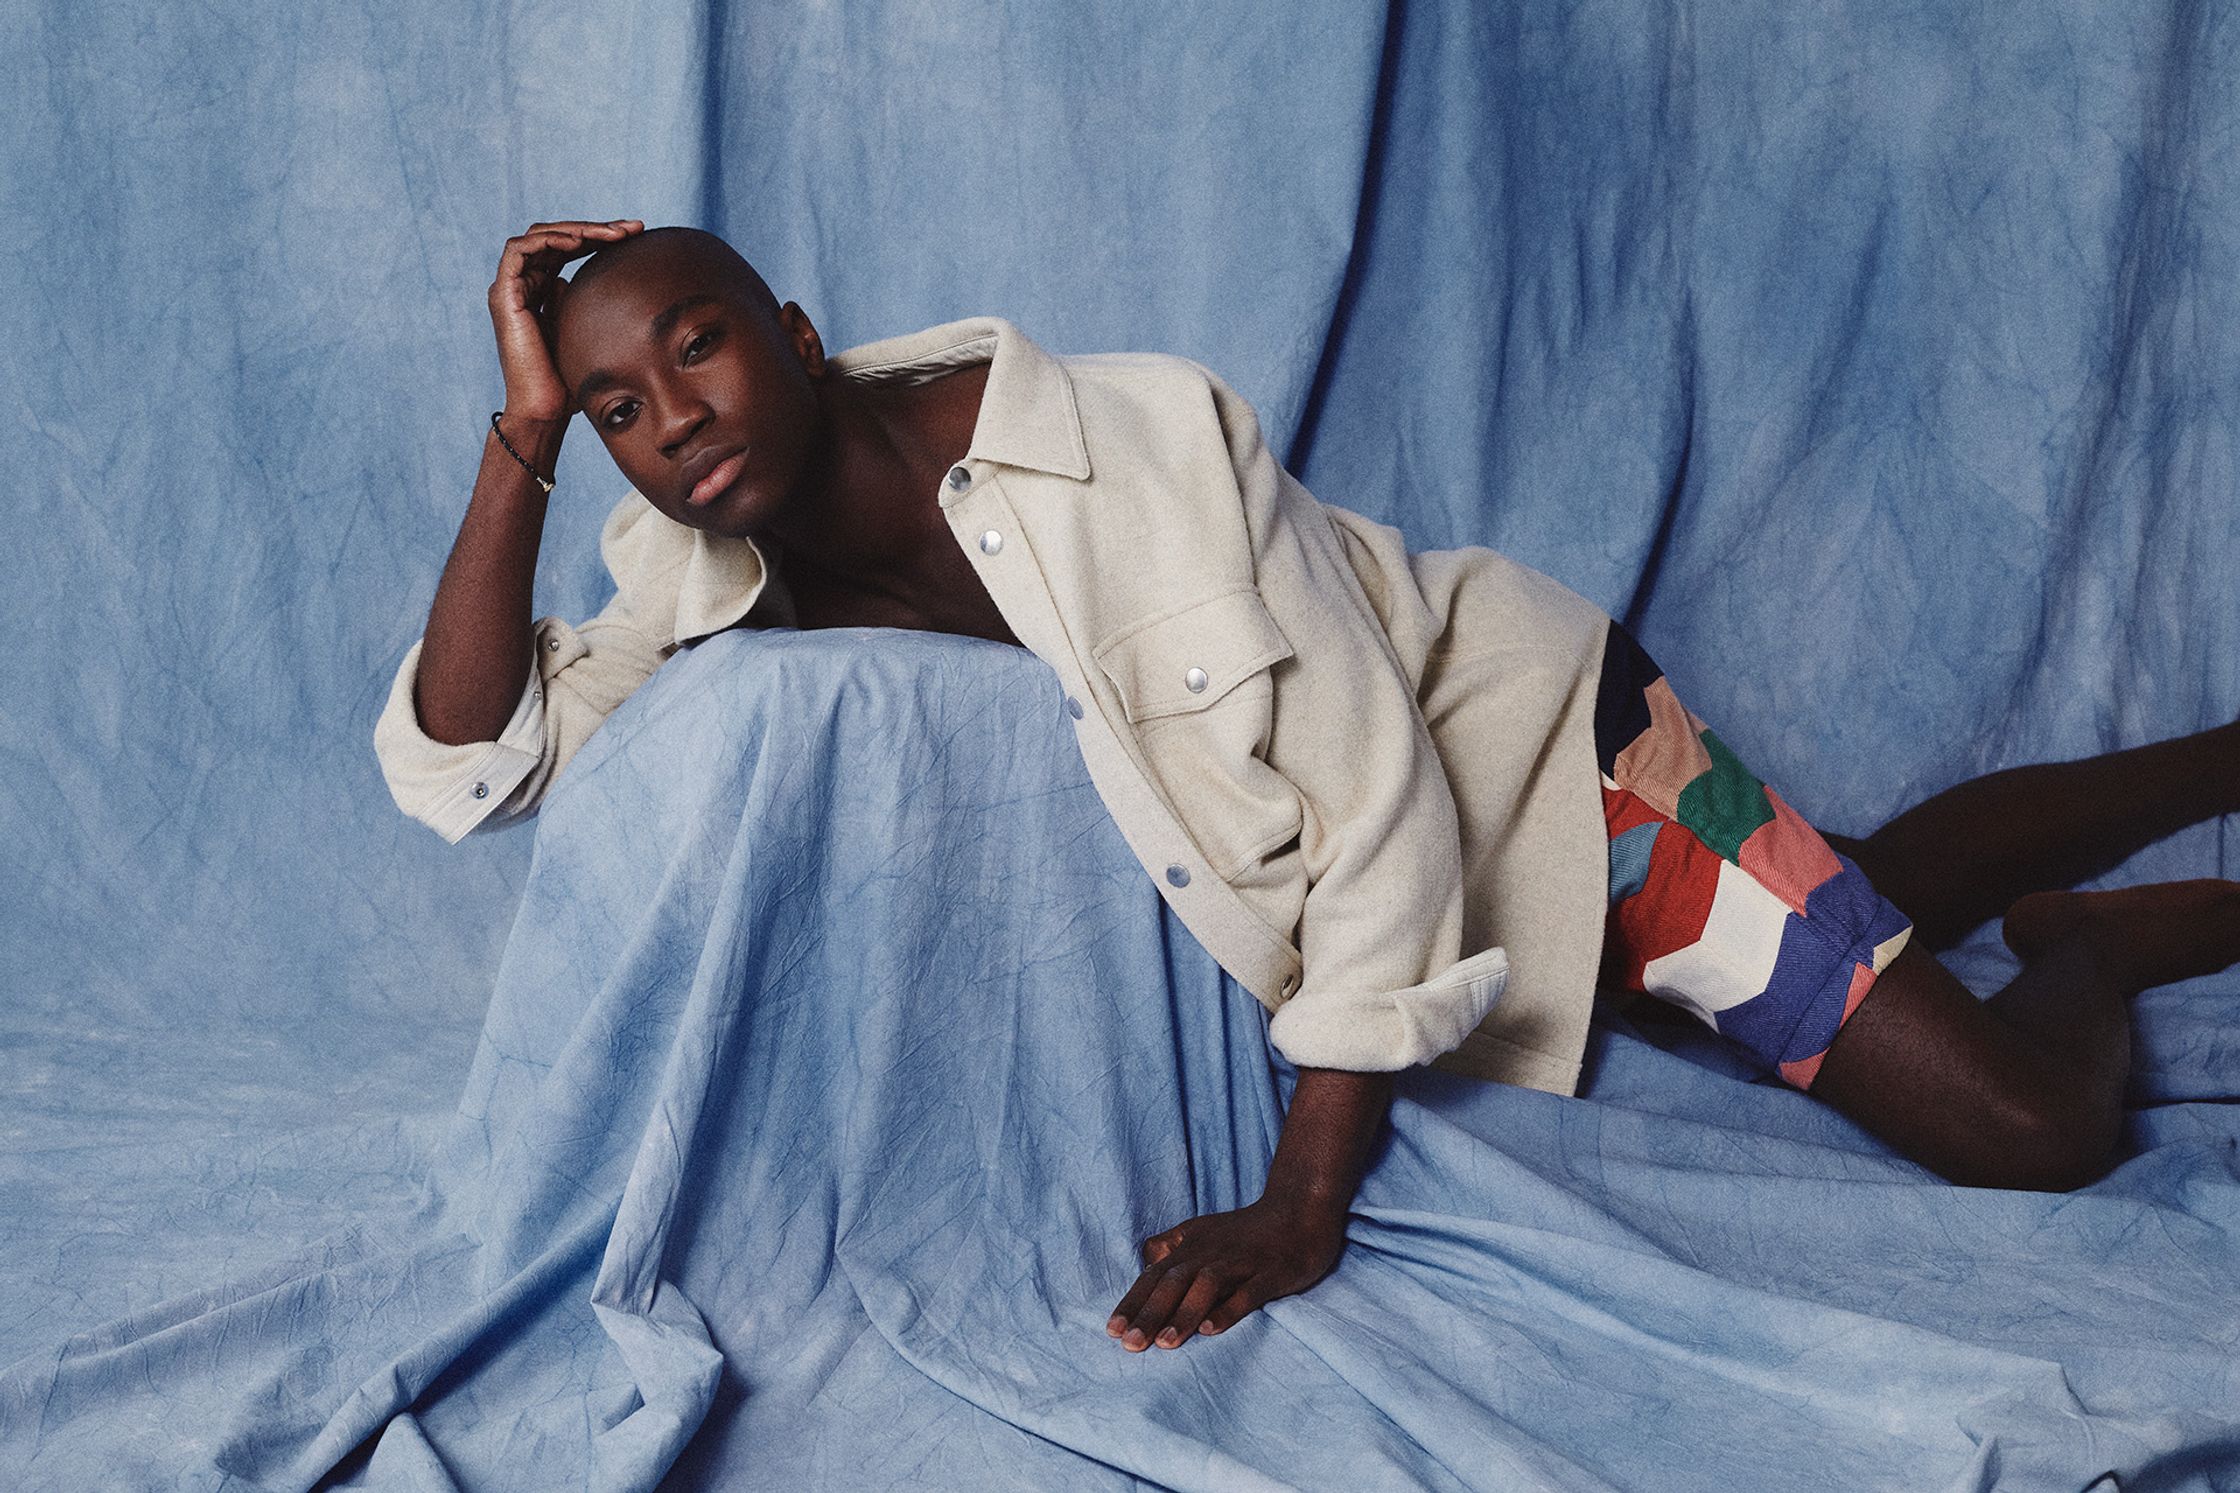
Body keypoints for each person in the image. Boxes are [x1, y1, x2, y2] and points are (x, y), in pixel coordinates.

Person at [377, 218, 2240, 1357]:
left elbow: (1372, 799)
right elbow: (474, 765)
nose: (670, 418)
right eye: (616, 405)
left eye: (691, 347)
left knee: (2017, 1124)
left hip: (1540, 756)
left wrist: (1304, 1195)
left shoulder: (1127, 440)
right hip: (1452, 891)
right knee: (1855, 897)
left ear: (790, 330)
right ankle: (2119, 825)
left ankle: (2106, 944)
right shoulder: (697, 576)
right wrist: (519, 446)